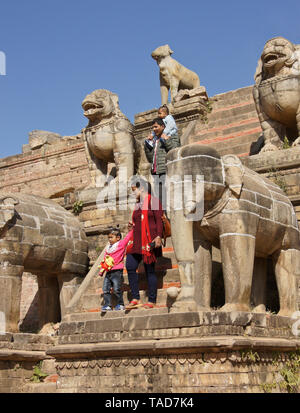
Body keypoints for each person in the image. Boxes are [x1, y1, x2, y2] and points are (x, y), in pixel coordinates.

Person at [125, 179, 163, 309]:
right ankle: (136, 298)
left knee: (149, 271)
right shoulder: (138, 205)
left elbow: (159, 219)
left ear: (141, 189)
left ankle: (151, 300)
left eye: (133, 190)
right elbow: (137, 221)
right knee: (130, 265)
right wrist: (132, 225)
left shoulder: (154, 201)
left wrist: (158, 236)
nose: (132, 193)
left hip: (149, 241)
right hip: (136, 241)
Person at [144, 115, 180, 210]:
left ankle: (168, 220)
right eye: (153, 128)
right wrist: (148, 146)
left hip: (166, 171)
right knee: (159, 201)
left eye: (156, 127)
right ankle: (162, 221)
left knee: (168, 198)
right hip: (156, 172)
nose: (154, 129)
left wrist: (166, 140)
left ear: (163, 127)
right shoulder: (155, 140)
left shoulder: (172, 136)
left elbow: (175, 150)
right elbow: (150, 158)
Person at [100, 227, 133, 312]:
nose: (109, 239)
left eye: (111, 237)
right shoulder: (108, 248)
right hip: (108, 271)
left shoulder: (121, 244)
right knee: (105, 288)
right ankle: (107, 305)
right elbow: (105, 260)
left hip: (117, 271)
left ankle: (120, 304)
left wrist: (132, 229)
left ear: (118, 238)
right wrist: (102, 270)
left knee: (116, 288)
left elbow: (127, 238)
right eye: (109, 237)